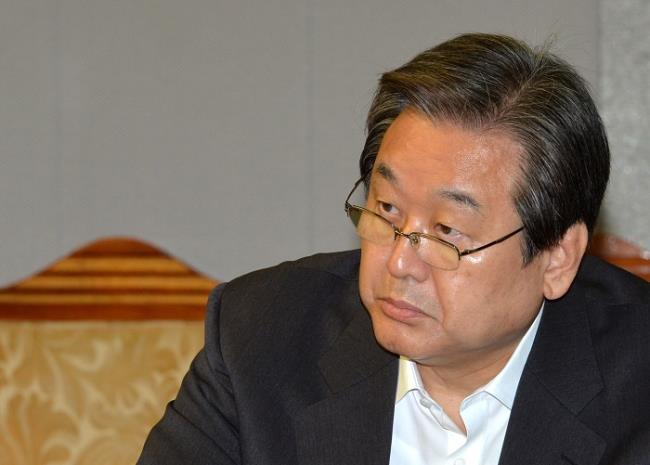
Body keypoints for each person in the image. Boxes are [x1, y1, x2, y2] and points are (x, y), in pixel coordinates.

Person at [137, 33, 650, 465]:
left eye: (447, 231)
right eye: (386, 209)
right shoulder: (262, 338)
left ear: (557, 258)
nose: (400, 263)